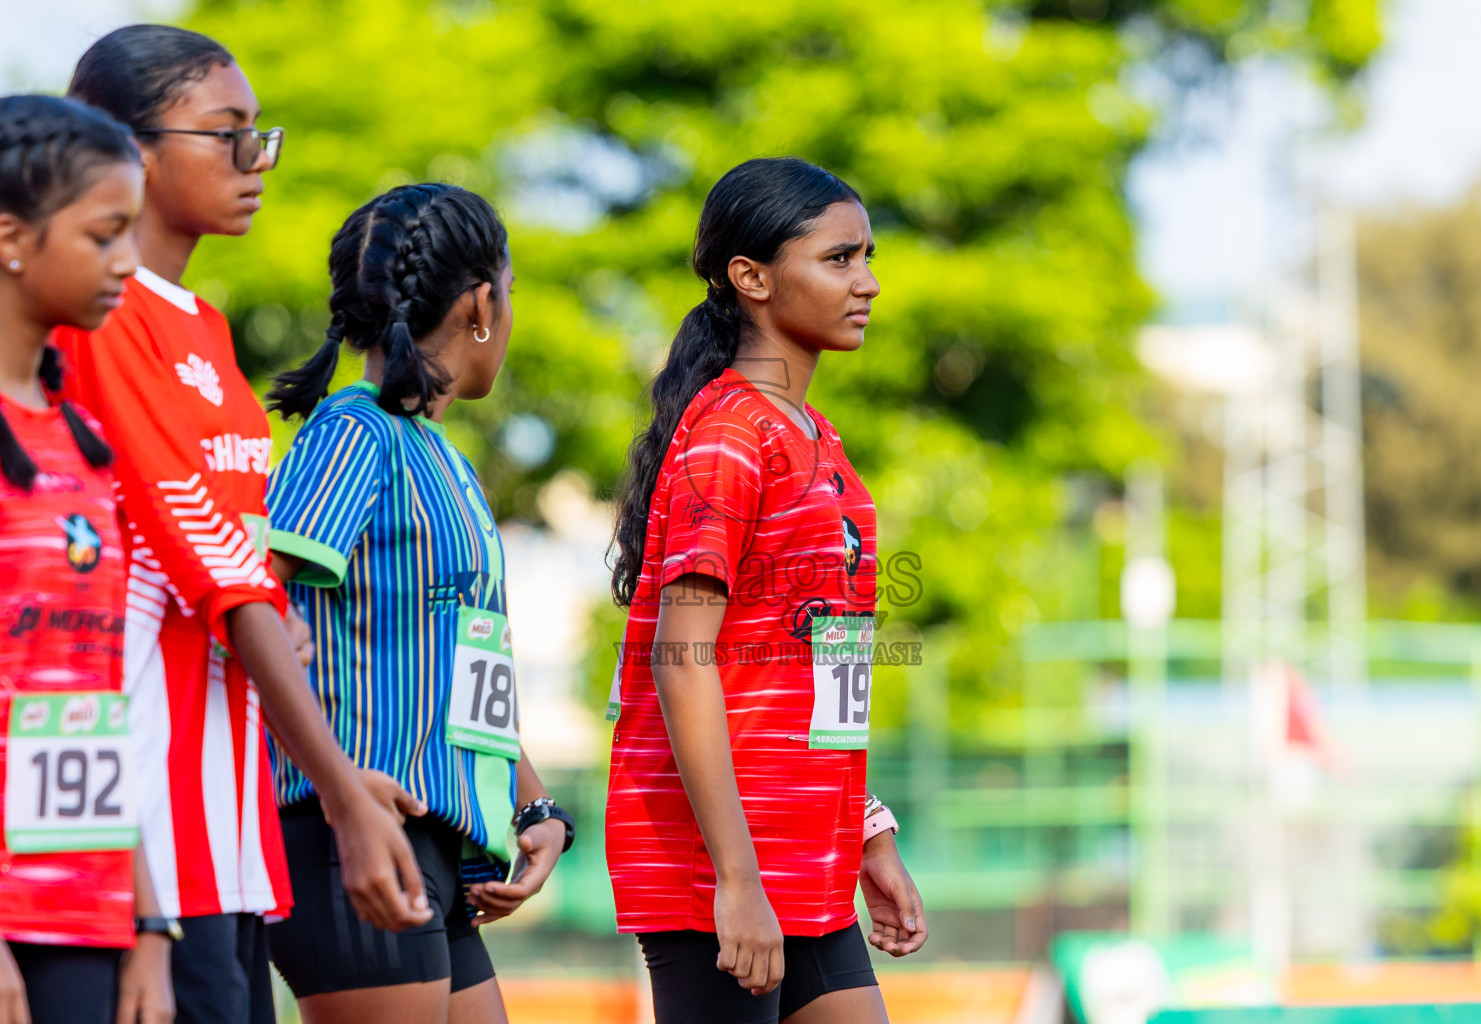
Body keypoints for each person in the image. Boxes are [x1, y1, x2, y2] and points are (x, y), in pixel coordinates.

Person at [54, 26, 431, 1024]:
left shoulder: (205, 331)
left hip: (230, 830)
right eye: (226, 133)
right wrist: (343, 789)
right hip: (141, 837)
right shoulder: (98, 324)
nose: (254, 159)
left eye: (261, 135)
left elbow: (239, 570)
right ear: (124, 143)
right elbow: (217, 573)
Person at [606, 156, 927, 1024]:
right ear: (749, 277)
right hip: (720, 873)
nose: (867, 282)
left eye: (866, 256)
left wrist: (867, 831)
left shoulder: (815, 436)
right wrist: (737, 882)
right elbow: (683, 662)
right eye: (839, 259)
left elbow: (820, 662)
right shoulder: (729, 436)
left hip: (809, 863)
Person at [262, 182, 571, 1024]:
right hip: (344, 833)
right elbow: (250, 612)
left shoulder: (435, 451)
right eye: (509, 295)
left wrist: (530, 800)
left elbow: (461, 660)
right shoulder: (349, 433)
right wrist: (339, 784)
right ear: (481, 303)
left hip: (435, 840)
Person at [0, 93, 173, 1024]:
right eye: (105, 232)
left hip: (90, 922)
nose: (126, 261)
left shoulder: (81, 442)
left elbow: (95, 707)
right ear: (10, 236)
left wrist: (148, 927)